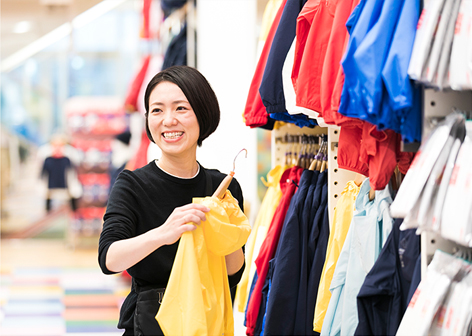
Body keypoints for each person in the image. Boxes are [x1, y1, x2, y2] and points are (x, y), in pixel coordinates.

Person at [98, 65, 246, 335]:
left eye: (181, 108)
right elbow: (109, 259)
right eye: (157, 110)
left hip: (208, 323)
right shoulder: (132, 184)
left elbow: (232, 274)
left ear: (203, 114)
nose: (168, 120)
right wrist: (164, 233)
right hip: (151, 323)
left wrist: (226, 228)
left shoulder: (224, 187)